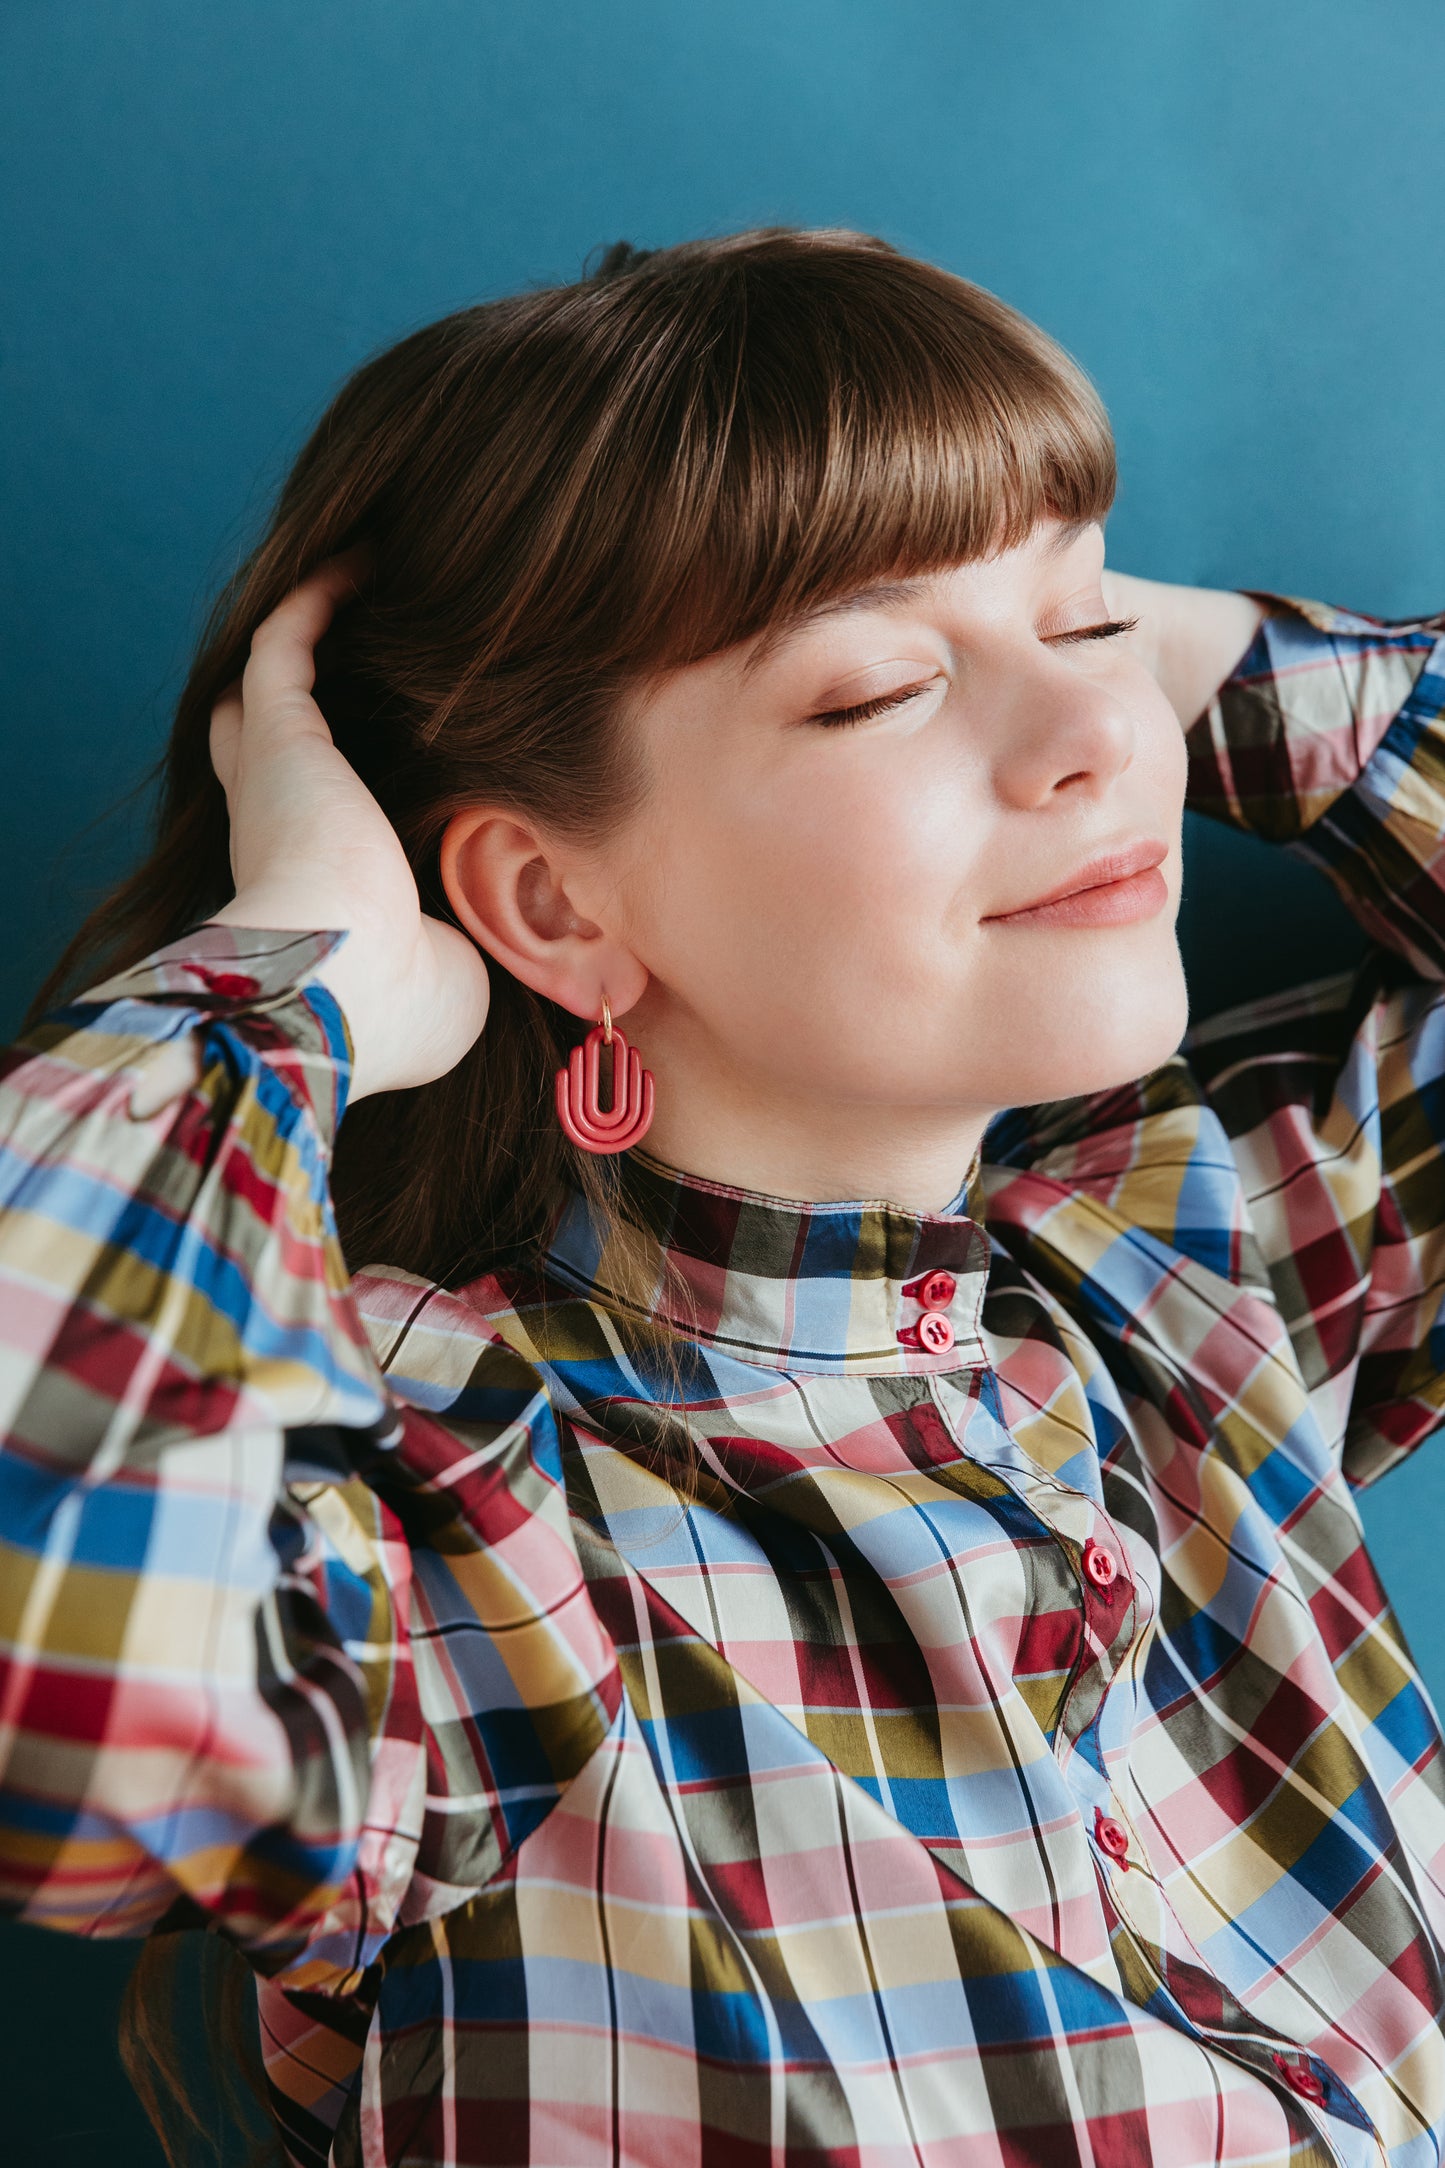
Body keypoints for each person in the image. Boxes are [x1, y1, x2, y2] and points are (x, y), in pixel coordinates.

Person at [1, 227, 1442, 2168]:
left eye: (1095, 626)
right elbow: (39, 1665)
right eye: (880, 688)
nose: (1101, 739)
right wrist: (301, 978)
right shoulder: (456, 1519)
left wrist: (1141, 637)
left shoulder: (1193, 1276)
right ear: (554, 901)